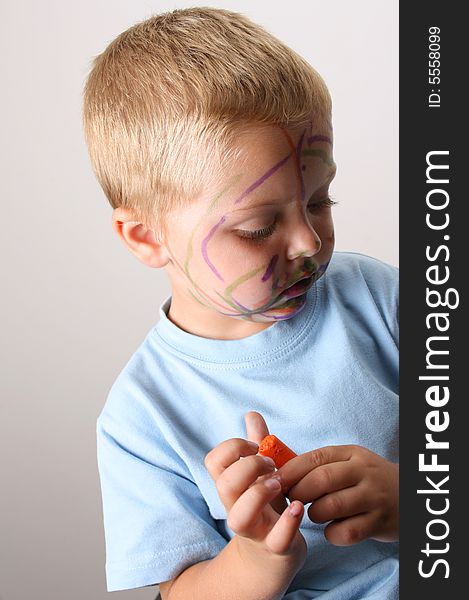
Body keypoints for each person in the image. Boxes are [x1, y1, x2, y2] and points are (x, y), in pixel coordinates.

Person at [83, 7, 399, 599]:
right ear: (147, 237)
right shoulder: (142, 417)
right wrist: (257, 556)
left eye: (321, 200)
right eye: (257, 228)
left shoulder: (381, 300)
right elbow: (181, 593)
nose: (309, 241)